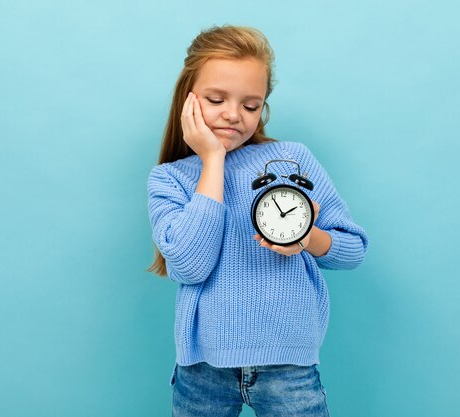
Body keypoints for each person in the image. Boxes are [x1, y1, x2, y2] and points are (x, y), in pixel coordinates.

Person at [147, 24, 368, 417]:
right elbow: (189, 265)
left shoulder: (292, 159)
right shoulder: (170, 178)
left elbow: (353, 249)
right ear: (188, 100)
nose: (234, 115)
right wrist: (212, 160)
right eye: (216, 99)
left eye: (251, 105)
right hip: (202, 370)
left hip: (290, 365)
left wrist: (307, 239)